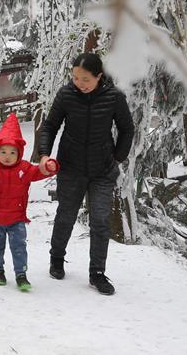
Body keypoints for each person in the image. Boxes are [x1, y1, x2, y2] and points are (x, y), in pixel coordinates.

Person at [37, 53, 134, 296]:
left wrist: (118, 157)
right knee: (66, 215)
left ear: (99, 76)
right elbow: (50, 125)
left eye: (85, 79)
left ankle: (97, 273)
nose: (79, 83)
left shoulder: (114, 97)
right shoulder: (66, 95)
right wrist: (44, 154)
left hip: (102, 170)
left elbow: (127, 128)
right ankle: (57, 258)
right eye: (75, 77)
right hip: (71, 167)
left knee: (100, 221)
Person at [0, 113, 59, 290]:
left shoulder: (24, 169)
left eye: (12, 152)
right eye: (3, 152)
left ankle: (21, 274)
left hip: (16, 219)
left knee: (19, 247)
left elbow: (39, 172)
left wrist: (49, 167)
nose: (7, 156)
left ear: (19, 153)